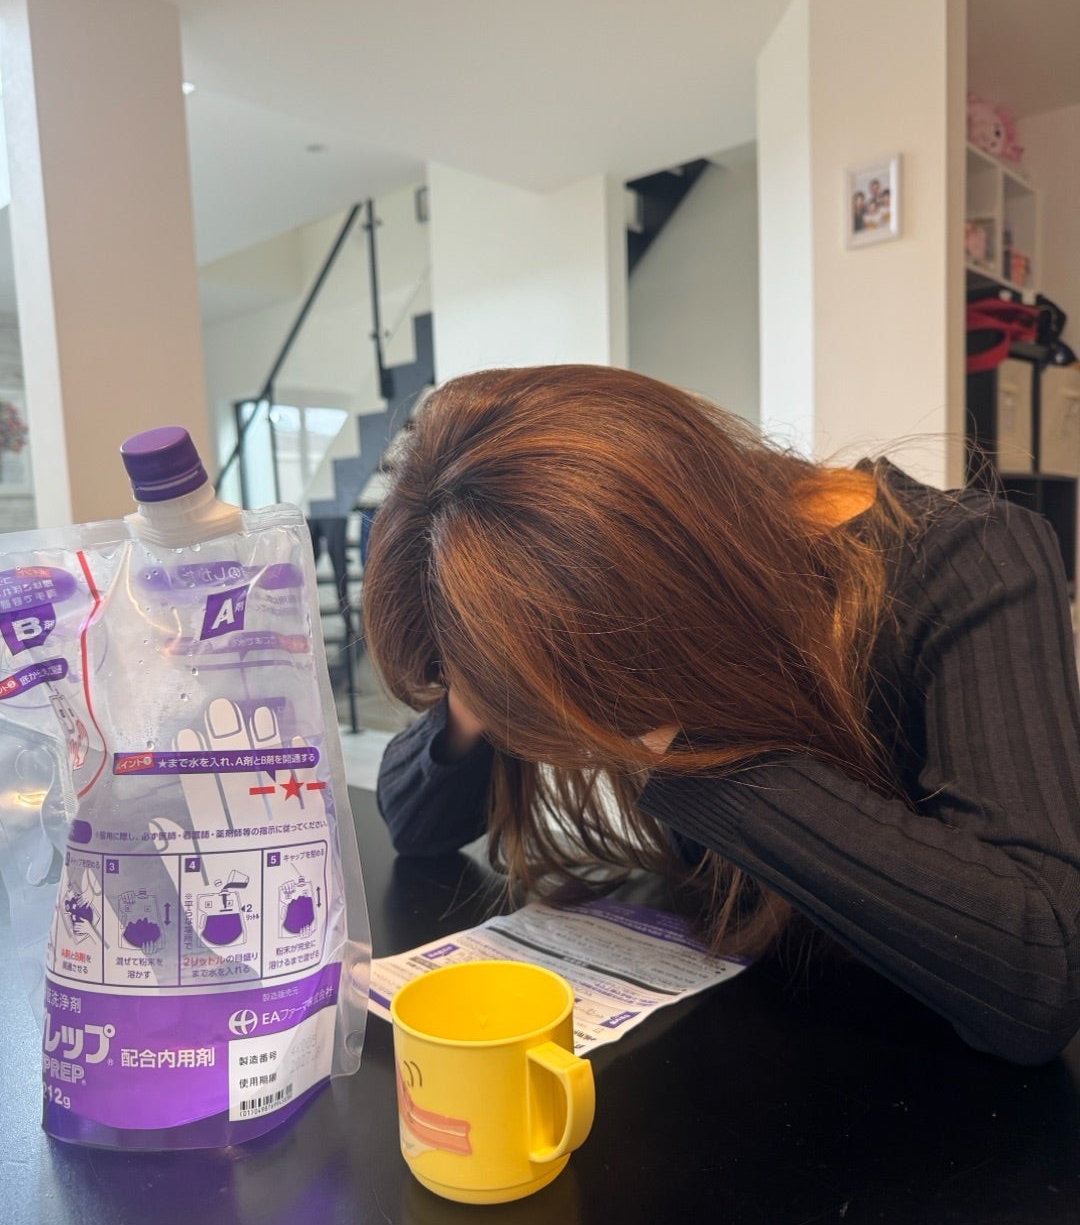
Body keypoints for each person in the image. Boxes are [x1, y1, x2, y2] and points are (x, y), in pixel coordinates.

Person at [365, 365, 1080, 1065]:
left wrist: (673, 738)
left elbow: (1041, 977)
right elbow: (417, 830)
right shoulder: (566, 590)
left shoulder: (972, 558)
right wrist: (478, 682)